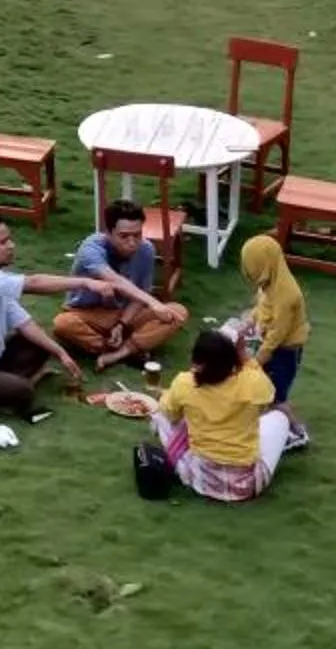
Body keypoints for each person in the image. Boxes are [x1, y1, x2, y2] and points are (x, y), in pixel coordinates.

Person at [0, 212, 141, 420]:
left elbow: (24, 324)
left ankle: (5, 386)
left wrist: (61, 354)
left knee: (39, 342)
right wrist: (85, 282)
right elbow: (33, 283)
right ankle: (11, 390)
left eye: (10, 239)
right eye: (3, 242)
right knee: (24, 393)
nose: (11, 246)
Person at [137, 326, 301, 502]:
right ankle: (292, 438)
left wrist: (169, 397)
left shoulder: (184, 383)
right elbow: (269, 395)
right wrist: (243, 354)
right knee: (280, 418)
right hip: (244, 485)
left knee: (162, 413)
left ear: (196, 360)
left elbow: (170, 414)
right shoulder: (252, 381)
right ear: (233, 359)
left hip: (200, 477)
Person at [52, 200, 189, 372]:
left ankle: (117, 354)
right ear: (108, 233)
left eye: (137, 235)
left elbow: (139, 294)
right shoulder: (91, 249)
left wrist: (122, 324)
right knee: (63, 324)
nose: (132, 242)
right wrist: (154, 303)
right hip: (87, 313)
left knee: (177, 312)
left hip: (125, 313)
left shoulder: (146, 250)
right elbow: (115, 281)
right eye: (124, 236)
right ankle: (130, 348)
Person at [233, 233, 310, 407]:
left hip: (284, 350)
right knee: (264, 386)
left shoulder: (287, 295)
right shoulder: (269, 283)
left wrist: (259, 358)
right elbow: (262, 306)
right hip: (271, 344)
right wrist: (249, 322)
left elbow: (278, 332)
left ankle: (294, 429)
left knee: (276, 395)